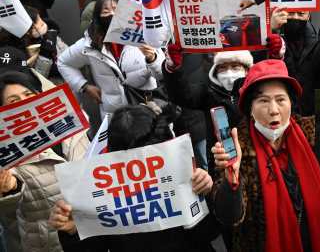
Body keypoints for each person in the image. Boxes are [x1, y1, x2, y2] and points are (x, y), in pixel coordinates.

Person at [210, 59, 320, 252]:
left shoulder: (317, 135)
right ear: (250, 107)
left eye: (280, 99)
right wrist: (231, 181)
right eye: (263, 101)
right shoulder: (236, 149)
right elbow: (229, 217)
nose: (274, 110)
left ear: (291, 103)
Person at [50, 104, 214, 252]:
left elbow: (208, 233)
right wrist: (74, 231)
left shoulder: (182, 173)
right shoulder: (101, 192)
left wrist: (206, 194)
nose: (141, 169)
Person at [57, 0, 164, 119]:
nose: (112, 14)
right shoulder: (89, 44)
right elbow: (63, 62)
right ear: (98, 16)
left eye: (116, 9)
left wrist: (152, 59)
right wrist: (83, 86)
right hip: (115, 115)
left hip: (148, 107)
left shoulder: (143, 34)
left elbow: (162, 74)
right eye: (106, 11)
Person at [0, 71, 66, 252]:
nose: (25, 103)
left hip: (90, 234)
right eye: (14, 101)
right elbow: (10, 212)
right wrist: (9, 190)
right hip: (48, 243)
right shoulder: (6, 152)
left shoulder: (70, 125)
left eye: (28, 95)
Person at [270, 8, 320, 115]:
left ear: (308, 15)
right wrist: (271, 30)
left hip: (310, 114)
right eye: (291, 13)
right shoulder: (271, 39)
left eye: (301, 13)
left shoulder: (317, 42)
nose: (296, 17)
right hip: (279, 112)